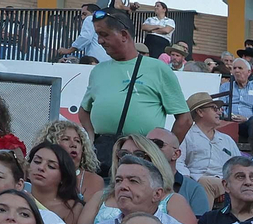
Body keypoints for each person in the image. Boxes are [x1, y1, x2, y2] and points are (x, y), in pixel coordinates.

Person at [79, 12, 191, 169]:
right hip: (103, 153)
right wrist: (91, 137)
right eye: (98, 35)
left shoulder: (158, 69)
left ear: (124, 35)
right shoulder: (98, 70)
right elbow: (84, 110)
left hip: (142, 151)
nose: (99, 41)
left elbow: (185, 119)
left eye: (104, 34)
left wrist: (162, 154)